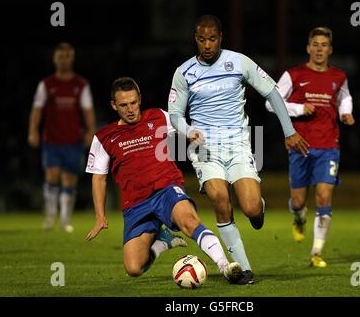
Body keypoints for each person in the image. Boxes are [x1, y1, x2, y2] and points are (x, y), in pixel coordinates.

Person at [168, 15, 308, 284]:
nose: (207, 45)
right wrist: (188, 131)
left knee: (252, 210)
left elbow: (272, 92)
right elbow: (175, 114)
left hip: (238, 145)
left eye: (212, 39)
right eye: (201, 39)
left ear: (221, 38)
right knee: (220, 200)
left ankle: (258, 208)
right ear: (195, 39)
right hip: (205, 149)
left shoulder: (239, 62)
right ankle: (243, 269)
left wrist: (289, 131)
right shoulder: (184, 72)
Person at [85, 77, 244, 284]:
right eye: (123, 105)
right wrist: (100, 216)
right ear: (114, 106)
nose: (130, 109)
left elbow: (184, 128)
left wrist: (193, 134)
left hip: (166, 189)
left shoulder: (158, 117)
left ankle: (225, 266)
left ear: (140, 99)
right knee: (134, 268)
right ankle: (162, 242)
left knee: (189, 222)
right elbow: (99, 178)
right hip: (135, 204)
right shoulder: (104, 137)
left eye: (133, 102)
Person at [265, 27, 355, 268]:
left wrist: (346, 112)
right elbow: (270, 103)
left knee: (324, 195)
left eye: (324, 45)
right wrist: (298, 108)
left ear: (330, 49)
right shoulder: (293, 75)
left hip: (329, 146)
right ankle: (299, 218)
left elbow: (344, 96)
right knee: (298, 202)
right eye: (315, 44)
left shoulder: (338, 76)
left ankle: (316, 252)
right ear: (308, 48)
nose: (319, 49)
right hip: (300, 145)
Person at [28, 42, 96, 232]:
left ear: (71, 59)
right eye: (60, 56)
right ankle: (50, 216)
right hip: (51, 139)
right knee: (52, 176)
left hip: (73, 139)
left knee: (69, 179)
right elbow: (37, 109)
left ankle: (65, 219)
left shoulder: (80, 84)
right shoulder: (46, 84)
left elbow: (88, 110)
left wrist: (90, 131)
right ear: (55, 59)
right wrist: (33, 130)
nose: (64, 60)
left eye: (67, 56)